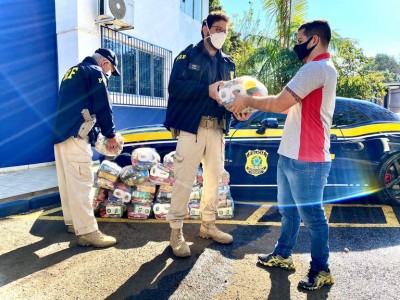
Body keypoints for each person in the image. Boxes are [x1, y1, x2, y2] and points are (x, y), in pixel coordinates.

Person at [227, 20, 337, 290]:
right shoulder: (314, 70)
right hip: (291, 155)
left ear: (313, 40)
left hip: (307, 160)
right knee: (289, 213)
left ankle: (321, 269)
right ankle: (283, 255)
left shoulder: (316, 68)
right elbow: (288, 108)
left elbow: (279, 102)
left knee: (313, 217)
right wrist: (253, 110)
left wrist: (248, 100)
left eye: (300, 39)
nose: (296, 45)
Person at [164, 11, 250, 257]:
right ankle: (176, 231)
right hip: (192, 127)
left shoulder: (228, 63)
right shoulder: (187, 56)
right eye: (217, 28)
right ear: (205, 29)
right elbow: (175, 88)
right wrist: (206, 90)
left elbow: (231, 96)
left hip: (217, 129)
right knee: (183, 179)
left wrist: (238, 111)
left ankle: (208, 225)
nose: (221, 33)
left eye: (225, 30)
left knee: (214, 178)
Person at [53, 48, 122, 248]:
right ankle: (88, 231)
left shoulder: (72, 71)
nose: (109, 75)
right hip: (77, 135)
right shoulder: (95, 72)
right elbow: (102, 105)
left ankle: (73, 223)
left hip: (61, 135)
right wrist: (110, 135)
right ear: (105, 64)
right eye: (110, 71)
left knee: (68, 183)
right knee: (82, 184)